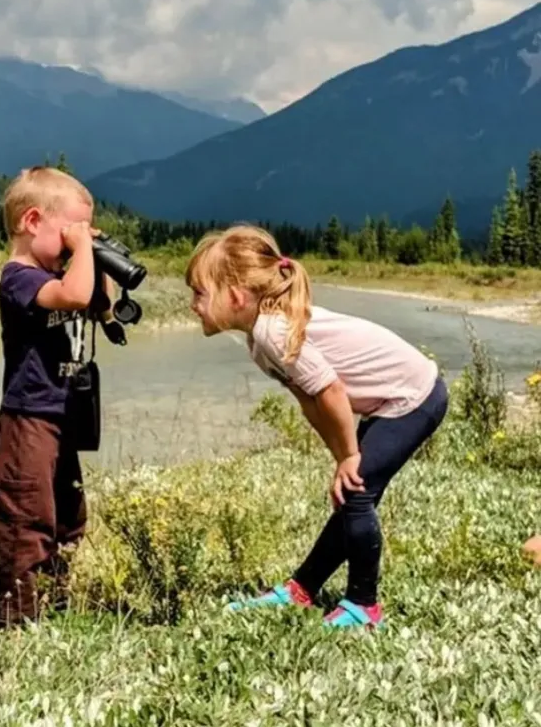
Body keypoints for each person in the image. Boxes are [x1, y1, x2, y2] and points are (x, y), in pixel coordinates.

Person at [185, 225, 448, 629]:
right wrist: (341, 458)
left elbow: (331, 391)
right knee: (350, 490)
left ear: (236, 296)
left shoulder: (273, 331)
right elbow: (309, 400)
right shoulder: (259, 339)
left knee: (356, 493)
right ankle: (301, 589)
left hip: (414, 397)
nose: (193, 304)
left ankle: (364, 605)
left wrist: (349, 457)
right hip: (392, 400)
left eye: (200, 293)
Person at [0, 165, 113, 627]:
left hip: (61, 417)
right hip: (27, 421)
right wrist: (82, 252)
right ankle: (17, 620)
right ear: (32, 221)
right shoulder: (19, 278)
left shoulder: (64, 273)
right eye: (67, 233)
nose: (74, 243)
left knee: (67, 517)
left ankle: (53, 603)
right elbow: (75, 295)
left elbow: (97, 300)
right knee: (28, 521)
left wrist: (94, 255)